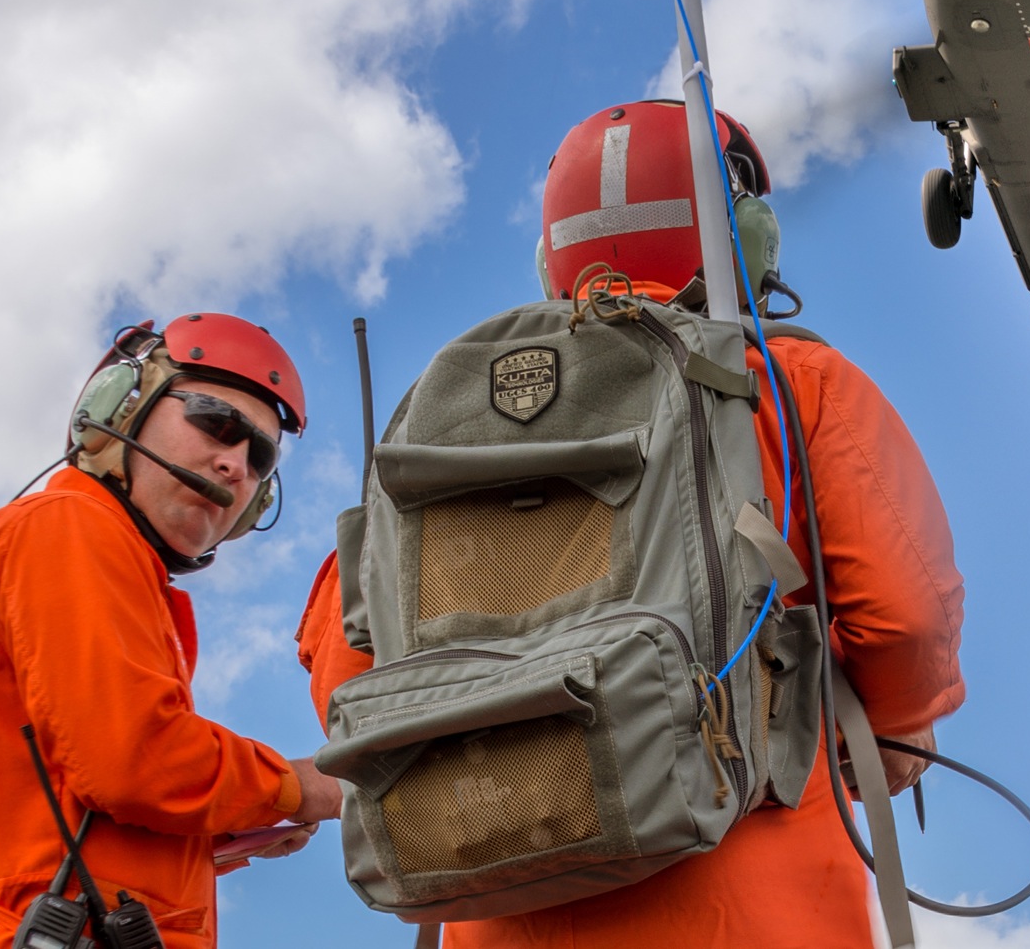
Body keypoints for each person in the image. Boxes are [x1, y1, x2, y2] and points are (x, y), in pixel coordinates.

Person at [296, 100, 967, 948]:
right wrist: (902, 728)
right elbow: (904, 609)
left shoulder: (436, 420)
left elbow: (346, 670)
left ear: (552, 254)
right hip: (756, 907)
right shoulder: (792, 380)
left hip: (505, 908)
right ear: (742, 229)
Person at [0, 313, 344, 949]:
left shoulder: (111, 560)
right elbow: (133, 760)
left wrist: (226, 828)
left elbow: (82, 799)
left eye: (259, 458)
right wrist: (297, 785)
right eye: (215, 425)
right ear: (119, 412)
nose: (235, 467)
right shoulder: (71, 525)